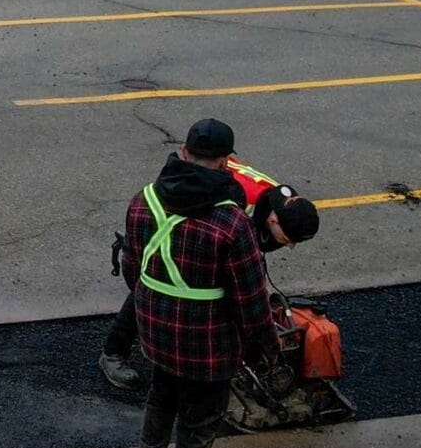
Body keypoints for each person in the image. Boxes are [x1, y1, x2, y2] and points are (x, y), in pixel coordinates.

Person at [118, 117, 277, 448]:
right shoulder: (232, 223)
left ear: (183, 152)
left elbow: (133, 271)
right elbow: (251, 300)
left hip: (157, 334)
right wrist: (267, 349)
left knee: (161, 400)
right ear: (228, 163)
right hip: (208, 347)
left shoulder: (143, 202)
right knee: (197, 429)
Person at [102, 154, 318, 392]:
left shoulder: (280, 200)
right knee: (154, 281)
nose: (288, 247)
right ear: (274, 220)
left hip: (199, 193)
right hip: (179, 211)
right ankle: (113, 353)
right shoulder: (241, 206)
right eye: (287, 240)